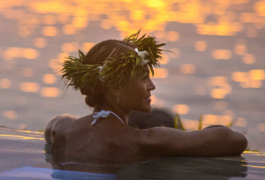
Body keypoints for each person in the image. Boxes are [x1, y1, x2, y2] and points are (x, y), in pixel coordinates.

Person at [45, 31, 248, 165]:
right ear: (115, 87)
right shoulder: (142, 142)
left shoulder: (65, 129)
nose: (152, 86)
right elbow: (236, 140)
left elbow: (51, 125)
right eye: (144, 79)